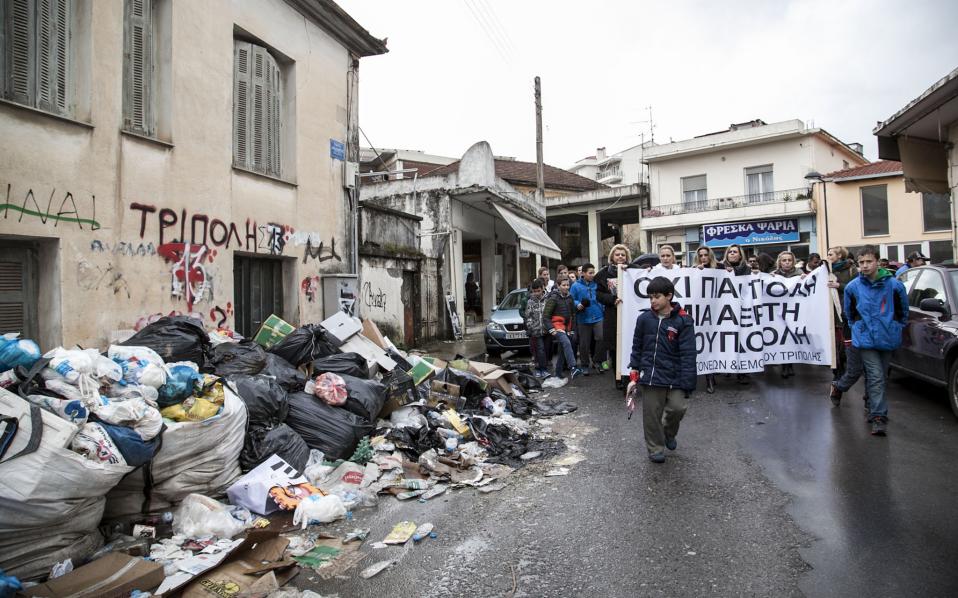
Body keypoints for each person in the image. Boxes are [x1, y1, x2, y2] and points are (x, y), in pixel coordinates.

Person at [829, 246, 908, 436]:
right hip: (865, 338)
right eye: (861, 262)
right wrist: (858, 328)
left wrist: (896, 326)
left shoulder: (894, 285)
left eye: (868, 261)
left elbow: (902, 311)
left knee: (882, 375)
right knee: (875, 375)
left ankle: (842, 389)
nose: (864, 266)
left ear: (877, 262)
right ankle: (878, 416)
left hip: (887, 336)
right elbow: (849, 313)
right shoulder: (854, 287)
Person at [628, 276, 696, 464]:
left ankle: (668, 433)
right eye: (650, 297)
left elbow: (689, 354)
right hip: (651, 376)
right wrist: (634, 371)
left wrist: (688, 383)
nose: (653, 301)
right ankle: (655, 448)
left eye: (657, 296)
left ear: (669, 296)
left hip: (675, 375)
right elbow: (637, 346)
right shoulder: (644, 319)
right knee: (651, 415)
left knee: (677, 408)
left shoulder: (684, 321)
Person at [596, 244, 632, 386]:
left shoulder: (633, 270)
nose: (620, 257)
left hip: (630, 314)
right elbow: (598, 295)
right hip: (612, 315)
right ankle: (618, 378)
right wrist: (612, 299)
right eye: (617, 254)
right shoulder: (603, 274)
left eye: (623, 254)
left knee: (630, 345)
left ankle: (630, 376)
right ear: (612, 256)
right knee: (615, 348)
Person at [827, 246, 858, 380]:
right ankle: (837, 372)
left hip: (845, 311)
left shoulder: (852, 270)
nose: (828, 257)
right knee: (833, 345)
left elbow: (857, 288)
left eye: (831, 254)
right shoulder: (825, 270)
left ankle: (847, 368)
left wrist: (840, 286)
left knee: (845, 343)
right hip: (830, 312)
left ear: (839, 255)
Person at [544, 275, 581, 380]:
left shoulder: (570, 297)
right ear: (558, 285)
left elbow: (573, 315)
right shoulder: (553, 298)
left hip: (566, 327)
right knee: (566, 343)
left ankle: (558, 373)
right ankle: (573, 367)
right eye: (563, 285)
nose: (566, 287)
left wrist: (572, 329)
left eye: (568, 285)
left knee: (562, 351)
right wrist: (551, 329)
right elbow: (546, 316)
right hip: (557, 326)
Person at [571, 263, 605, 375]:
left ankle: (597, 361)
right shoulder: (575, 286)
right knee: (584, 343)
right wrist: (577, 304)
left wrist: (602, 307)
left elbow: (602, 296)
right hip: (583, 318)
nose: (592, 275)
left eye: (593, 273)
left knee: (601, 338)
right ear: (583, 273)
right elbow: (572, 299)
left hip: (598, 315)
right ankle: (585, 365)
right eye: (590, 273)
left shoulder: (596, 284)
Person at [772, 251, 802, 378]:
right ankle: (784, 365)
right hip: (779, 311)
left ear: (793, 261)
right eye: (784, 260)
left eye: (789, 260)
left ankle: (790, 364)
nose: (787, 262)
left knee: (792, 337)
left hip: (794, 310)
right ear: (780, 262)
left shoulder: (800, 274)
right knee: (782, 338)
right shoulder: (774, 275)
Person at [695, 246, 720, 393]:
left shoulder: (721, 268)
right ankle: (709, 378)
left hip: (718, 313)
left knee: (716, 343)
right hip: (702, 315)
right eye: (701, 255)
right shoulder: (693, 270)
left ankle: (714, 372)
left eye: (706, 255)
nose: (703, 258)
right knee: (705, 344)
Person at [524, 279, 550, 378]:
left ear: (542, 289)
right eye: (534, 291)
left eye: (538, 291)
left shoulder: (548, 299)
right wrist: (531, 327)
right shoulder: (530, 302)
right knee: (540, 350)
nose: (536, 293)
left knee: (547, 350)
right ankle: (542, 369)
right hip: (536, 331)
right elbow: (528, 316)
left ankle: (542, 368)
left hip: (547, 330)